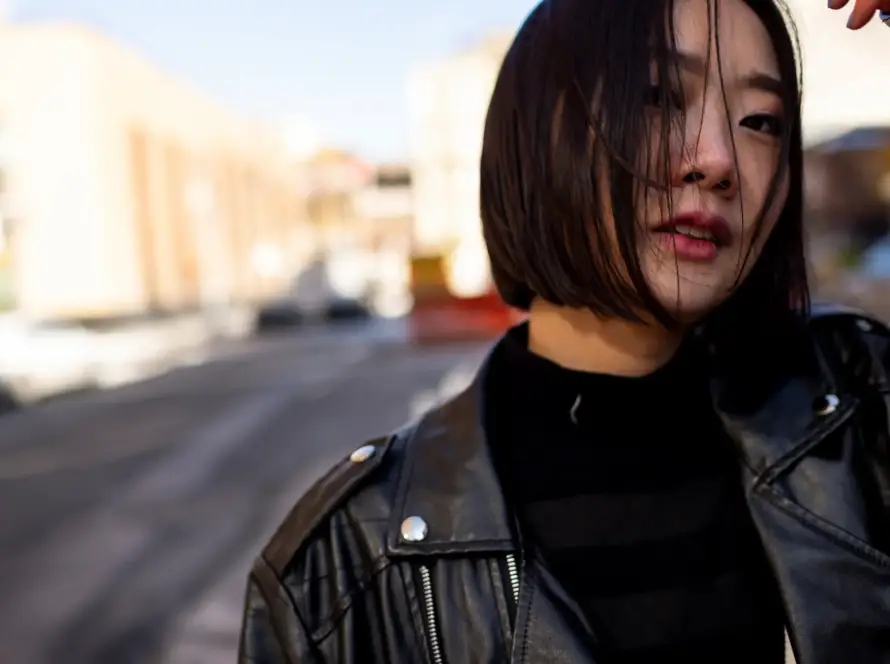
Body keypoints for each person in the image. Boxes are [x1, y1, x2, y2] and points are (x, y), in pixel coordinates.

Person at [239, 0, 890, 662]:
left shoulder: (863, 410)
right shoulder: (348, 564)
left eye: (761, 122)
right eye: (660, 95)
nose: (718, 159)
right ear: (540, 135)